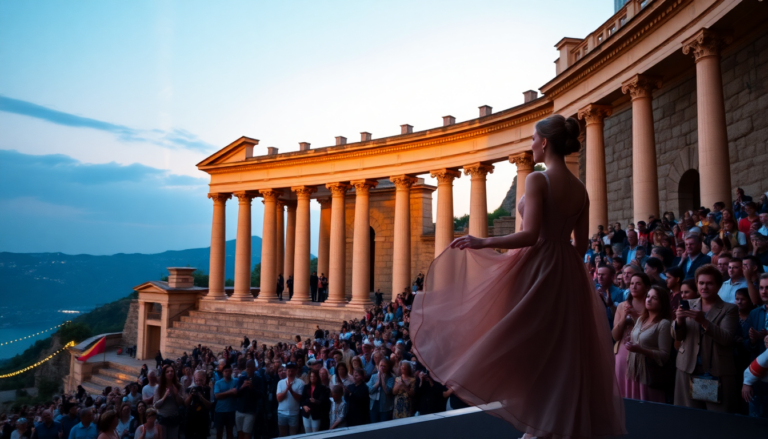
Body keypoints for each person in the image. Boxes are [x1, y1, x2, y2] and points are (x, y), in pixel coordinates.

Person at [411, 114, 625, 439]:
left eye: (533, 140)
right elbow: (580, 245)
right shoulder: (581, 189)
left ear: (544, 142)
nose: (531, 146)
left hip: (538, 265)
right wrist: (563, 264)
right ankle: (553, 425)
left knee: (526, 345)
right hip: (567, 269)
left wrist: (483, 242)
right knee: (563, 352)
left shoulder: (538, 180)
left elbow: (530, 235)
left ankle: (542, 426)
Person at [672, 264, 739, 412]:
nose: (705, 287)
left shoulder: (730, 309)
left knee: (716, 421)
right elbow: (677, 337)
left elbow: (726, 338)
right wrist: (679, 322)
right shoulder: (688, 304)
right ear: (696, 284)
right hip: (688, 367)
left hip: (716, 370)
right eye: (701, 283)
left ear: (718, 285)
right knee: (689, 418)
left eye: (710, 283)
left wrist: (703, 321)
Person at [623, 286, 673, 402]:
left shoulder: (663, 324)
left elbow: (665, 355)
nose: (649, 300)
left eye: (654, 298)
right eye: (648, 296)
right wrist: (629, 340)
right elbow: (637, 338)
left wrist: (641, 350)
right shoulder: (641, 319)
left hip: (650, 373)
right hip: (635, 370)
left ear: (662, 303)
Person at [152, 365, 184, 439]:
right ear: (164, 374)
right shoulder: (158, 388)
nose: (170, 373)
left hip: (174, 419)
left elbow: (181, 403)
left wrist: (176, 394)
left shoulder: (179, 386)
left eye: (172, 371)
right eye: (167, 372)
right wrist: (164, 397)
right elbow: (155, 405)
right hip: (162, 419)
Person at [276, 362, 304, 437]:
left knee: (293, 435)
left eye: (292, 371)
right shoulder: (280, 383)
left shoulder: (300, 383)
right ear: (286, 371)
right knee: (282, 434)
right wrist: (286, 390)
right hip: (282, 413)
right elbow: (279, 398)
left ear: (295, 371)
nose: (290, 373)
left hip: (294, 413)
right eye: (289, 371)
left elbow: (299, 399)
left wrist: (291, 390)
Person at [183, 370, 211, 439]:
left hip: (203, 420)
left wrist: (201, 396)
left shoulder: (207, 390)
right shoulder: (189, 389)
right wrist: (190, 396)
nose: (198, 382)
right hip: (190, 419)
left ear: (204, 380)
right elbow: (186, 404)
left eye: (201, 380)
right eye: (197, 380)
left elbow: (209, 405)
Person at [213, 364, 237, 439]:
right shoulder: (218, 383)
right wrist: (230, 392)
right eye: (225, 371)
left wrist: (223, 394)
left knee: (230, 431)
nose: (227, 373)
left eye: (229, 371)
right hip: (220, 411)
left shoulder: (236, 381)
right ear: (223, 372)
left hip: (231, 410)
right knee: (219, 432)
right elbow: (217, 396)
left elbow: (236, 393)